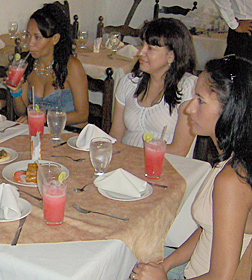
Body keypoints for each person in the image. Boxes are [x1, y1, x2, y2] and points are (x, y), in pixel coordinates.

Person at [131, 55, 252, 280]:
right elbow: (211, 229)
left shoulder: (232, 180)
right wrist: (165, 265)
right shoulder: (232, 159)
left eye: (200, 99)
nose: (188, 108)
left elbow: (222, 278)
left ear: (229, 110)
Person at [109, 18, 197, 157]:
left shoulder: (188, 87)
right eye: (142, 45)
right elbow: (116, 135)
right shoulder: (129, 82)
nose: (141, 53)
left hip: (166, 166)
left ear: (171, 56)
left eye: (150, 48)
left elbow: (179, 150)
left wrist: (131, 155)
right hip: (125, 162)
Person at [6, 4, 89, 126]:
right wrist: (16, 91)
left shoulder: (72, 66)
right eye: (28, 35)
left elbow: (82, 115)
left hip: (71, 135)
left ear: (55, 39)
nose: (30, 43)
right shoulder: (27, 64)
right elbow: (21, 111)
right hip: (42, 134)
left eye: (37, 37)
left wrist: (44, 119)